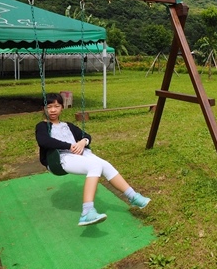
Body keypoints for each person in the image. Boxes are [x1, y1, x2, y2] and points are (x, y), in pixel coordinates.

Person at [35, 92, 150, 226]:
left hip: (78, 154)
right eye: (49, 106)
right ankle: (87, 212)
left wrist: (83, 141)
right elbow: (44, 141)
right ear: (44, 108)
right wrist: (69, 145)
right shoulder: (42, 126)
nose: (53, 110)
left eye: (57, 106)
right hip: (60, 158)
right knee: (95, 166)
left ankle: (133, 196)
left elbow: (86, 136)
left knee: (105, 164)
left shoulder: (68, 126)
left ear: (62, 108)